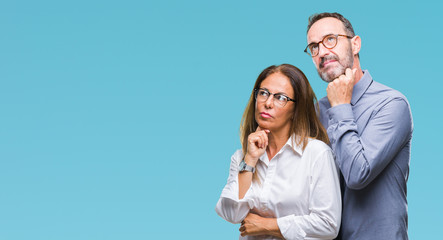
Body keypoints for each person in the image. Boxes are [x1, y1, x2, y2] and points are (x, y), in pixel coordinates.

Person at [304, 12, 413, 240]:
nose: (322, 51)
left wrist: (341, 106)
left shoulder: (391, 104)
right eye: (314, 47)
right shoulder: (316, 113)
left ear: (355, 44)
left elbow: (357, 174)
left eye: (330, 39)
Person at [215, 64, 341, 239]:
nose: (267, 103)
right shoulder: (241, 158)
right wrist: (250, 160)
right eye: (263, 93)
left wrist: (267, 225)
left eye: (280, 97)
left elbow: (328, 224)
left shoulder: (316, 153)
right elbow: (231, 214)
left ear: (295, 110)